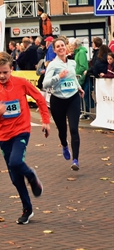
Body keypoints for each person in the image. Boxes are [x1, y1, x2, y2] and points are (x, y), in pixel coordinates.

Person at [0, 51, 49, 225]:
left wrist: (46, 121)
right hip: (4, 135)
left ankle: (31, 176)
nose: (2, 76)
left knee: (16, 162)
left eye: (5, 72)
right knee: (15, 178)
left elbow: (39, 98)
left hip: (22, 131)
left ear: (11, 70)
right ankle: (27, 209)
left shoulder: (21, 83)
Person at [43, 38, 85, 171]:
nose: (61, 48)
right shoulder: (52, 65)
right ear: (54, 50)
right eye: (58, 46)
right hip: (58, 100)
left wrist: (78, 87)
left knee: (74, 129)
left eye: (62, 45)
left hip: (73, 98)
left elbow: (73, 78)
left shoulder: (72, 63)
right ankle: (64, 145)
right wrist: (58, 77)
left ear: (65, 47)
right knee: (62, 130)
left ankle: (76, 160)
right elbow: (45, 84)